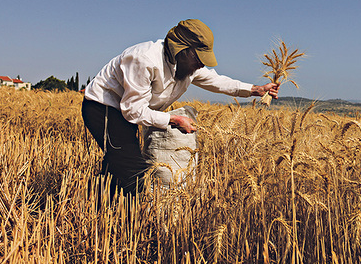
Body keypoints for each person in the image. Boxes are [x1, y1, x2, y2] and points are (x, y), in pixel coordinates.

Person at [82, 19, 278, 197]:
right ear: (181, 49)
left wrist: (256, 90)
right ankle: (123, 221)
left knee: (119, 164)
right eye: (198, 57)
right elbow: (132, 110)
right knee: (132, 171)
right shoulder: (144, 59)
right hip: (104, 109)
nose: (201, 63)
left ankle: (97, 204)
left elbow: (218, 81)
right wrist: (173, 120)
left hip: (127, 114)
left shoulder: (189, 66)